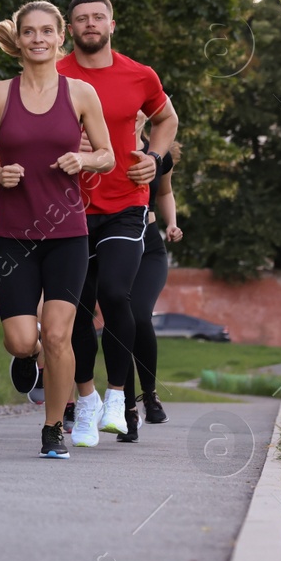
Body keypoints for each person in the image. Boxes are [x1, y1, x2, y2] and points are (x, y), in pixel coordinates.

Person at [0, 1, 113, 459]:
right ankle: (29, 363)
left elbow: (109, 155)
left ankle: (54, 426)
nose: (38, 39)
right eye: (29, 32)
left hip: (67, 233)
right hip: (14, 232)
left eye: (46, 31)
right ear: (19, 39)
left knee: (57, 334)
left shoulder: (80, 93)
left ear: (60, 39)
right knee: (20, 339)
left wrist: (84, 159)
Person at [57, 0, 178, 445]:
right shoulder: (55, 73)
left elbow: (166, 119)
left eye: (98, 18)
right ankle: (86, 403)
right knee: (80, 308)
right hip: (69, 208)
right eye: (81, 20)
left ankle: (119, 397)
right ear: (71, 29)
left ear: (112, 24)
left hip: (127, 202)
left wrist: (154, 155)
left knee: (115, 292)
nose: (90, 25)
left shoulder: (139, 75)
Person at [130, 118, 182, 425]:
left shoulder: (158, 154)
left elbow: (164, 192)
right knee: (118, 320)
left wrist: (172, 223)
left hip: (149, 245)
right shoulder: (99, 151)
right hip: (111, 243)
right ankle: (124, 403)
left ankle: (149, 393)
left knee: (138, 315)